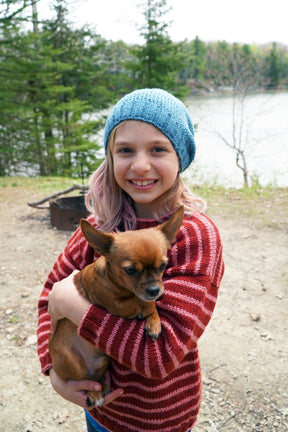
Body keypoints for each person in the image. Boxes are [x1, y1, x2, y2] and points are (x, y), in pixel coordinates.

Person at [37, 88, 224, 432]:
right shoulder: (99, 229)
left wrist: (71, 305)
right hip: (100, 411)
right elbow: (49, 295)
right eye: (125, 150)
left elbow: (161, 356)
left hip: (160, 419)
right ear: (109, 157)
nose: (140, 164)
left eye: (158, 149)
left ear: (180, 156)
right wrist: (55, 372)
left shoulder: (194, 237)